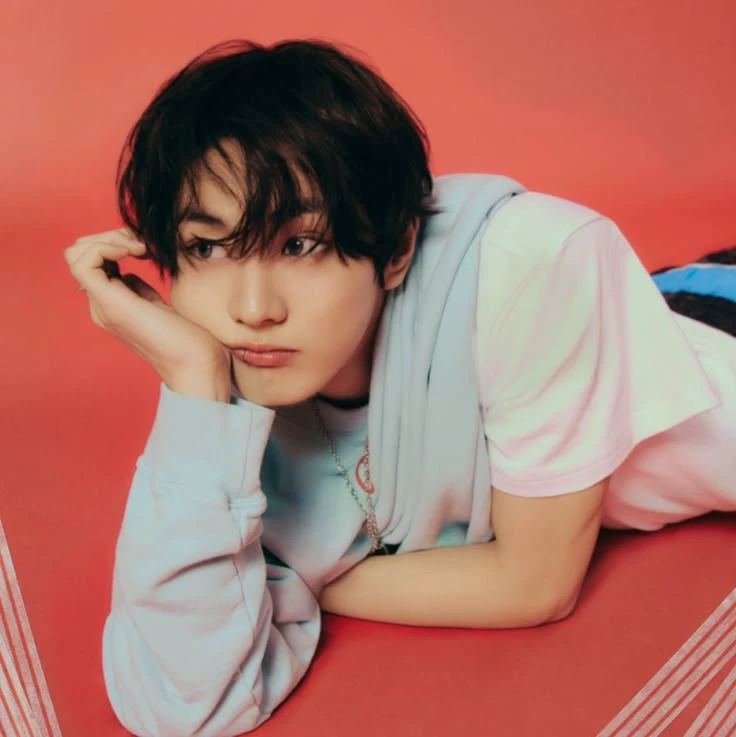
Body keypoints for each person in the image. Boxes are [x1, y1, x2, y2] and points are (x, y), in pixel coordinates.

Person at [63, 38, 736, 737]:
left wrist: (289, 581)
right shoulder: (234, 381)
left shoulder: (531, 265)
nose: (253, 309)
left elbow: (535, 583)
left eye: (299, 245)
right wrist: (192, 385)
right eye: (207, 248)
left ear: (398, 248)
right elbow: (184, 703)